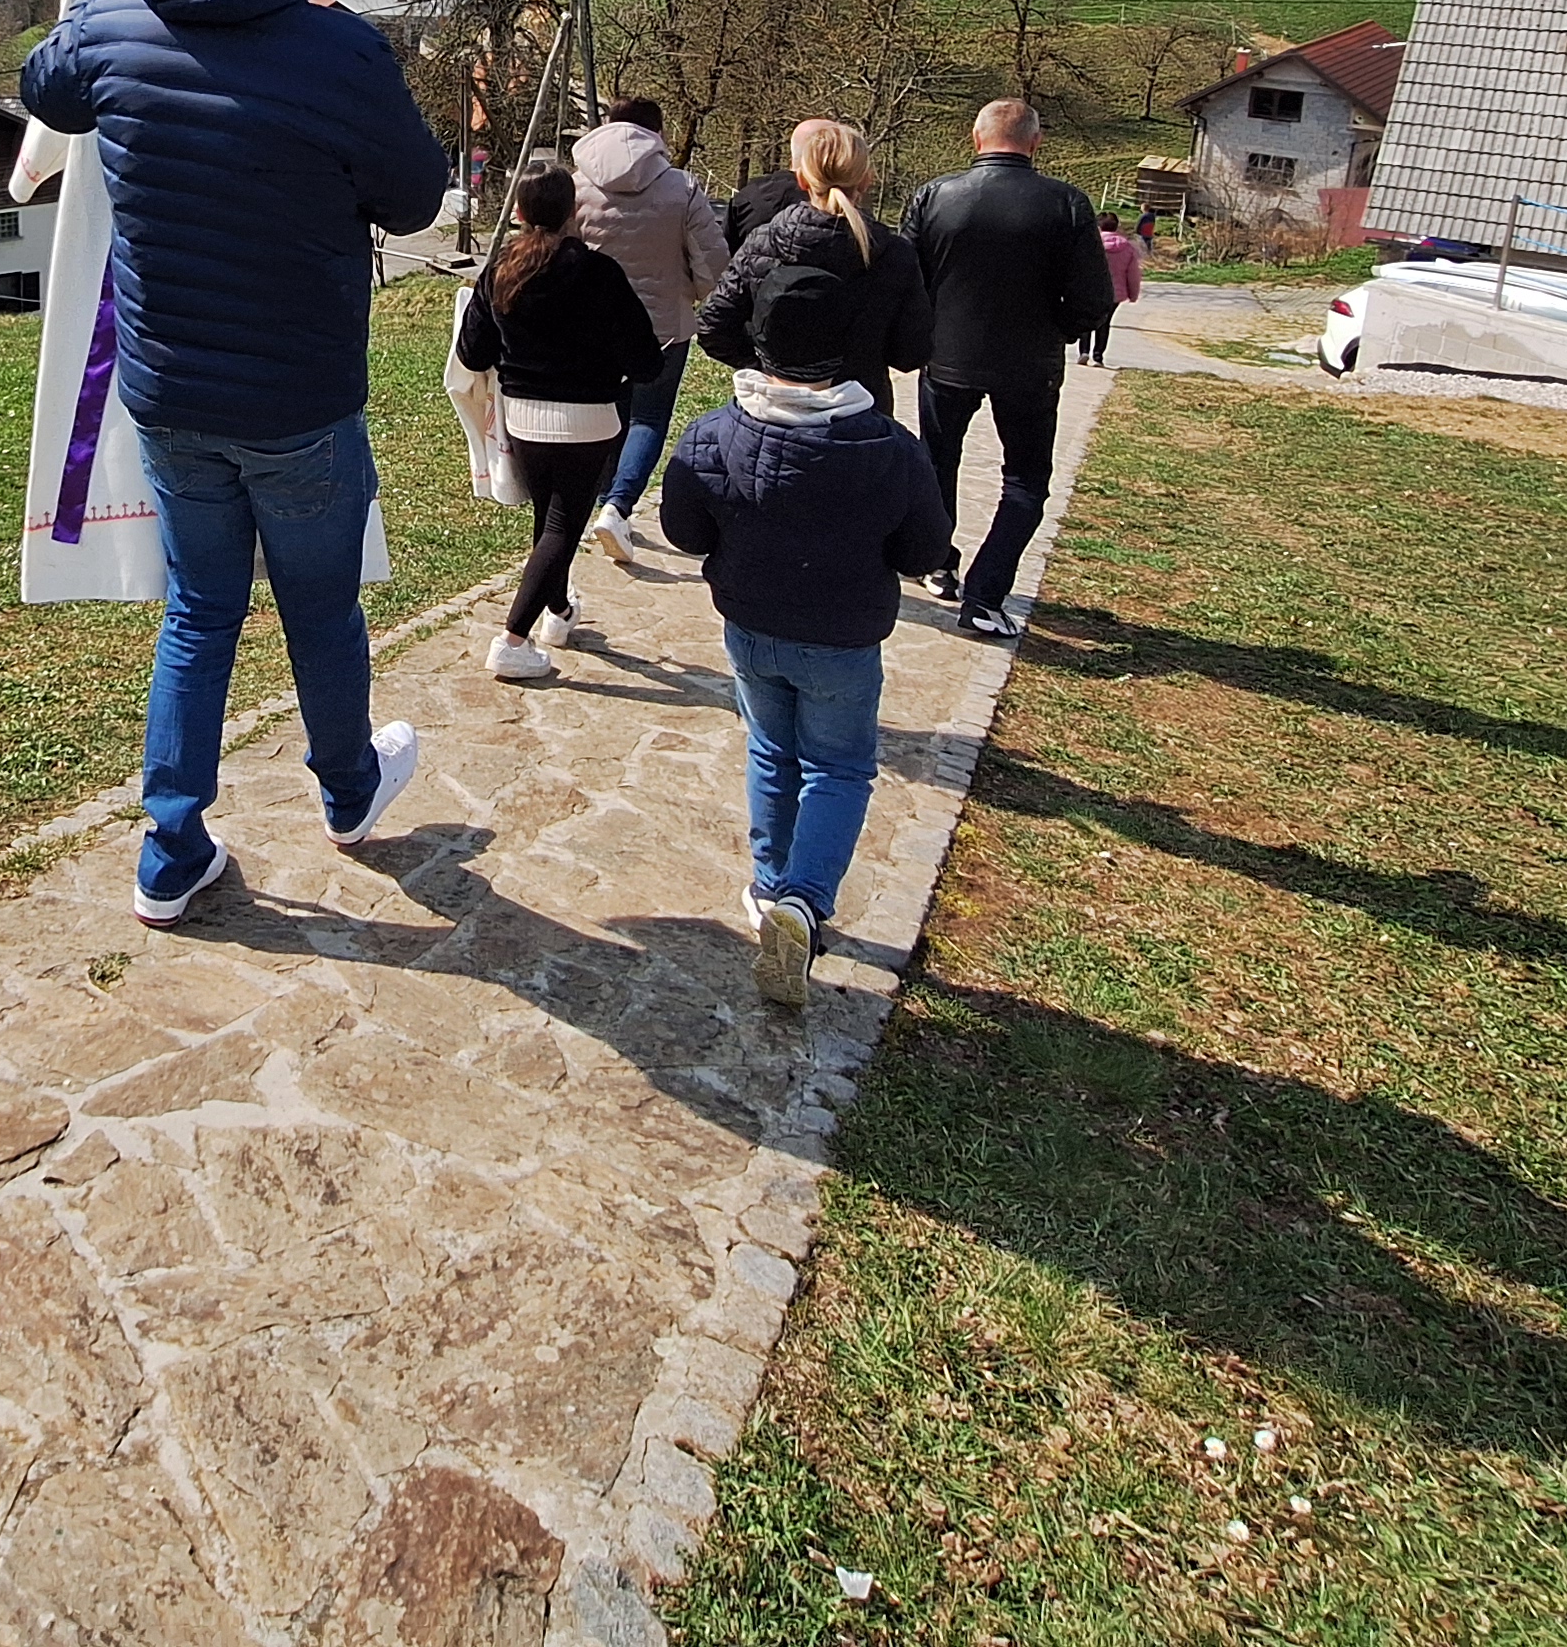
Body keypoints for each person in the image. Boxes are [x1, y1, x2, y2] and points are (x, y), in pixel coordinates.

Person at [19, 0, 453, 925]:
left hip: (170, 394)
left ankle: (171, 848)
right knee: (319, 608)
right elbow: (415, 201)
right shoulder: (340, 51)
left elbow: (45, 91)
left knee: (200, 614)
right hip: (299, 395)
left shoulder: (118, 19)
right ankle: (348, 791)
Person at [657, 260, 952, 1009]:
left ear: (758, 342)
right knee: (838, 767)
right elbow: (924, 551)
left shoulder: (711, 434)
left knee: (770, 749)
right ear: (846, 347)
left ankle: (769, 885)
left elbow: (683, 530)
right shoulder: (891, 447)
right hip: (843, 640)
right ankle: (804, 900)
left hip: (752, 628)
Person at [905, 100, 1114, 641]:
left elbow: (908, 281)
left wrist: (923, 336)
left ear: (975, 139)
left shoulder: (934, 196)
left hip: (946, 359)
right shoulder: (1067, 203)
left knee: (937, 462)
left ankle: (937, 562)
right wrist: (1056, 330)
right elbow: (1095, 298)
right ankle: (986, 594)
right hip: (1030, 365)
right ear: (1035, 142)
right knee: (1025, 481)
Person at [454, 166, 665, 680]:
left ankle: (558, 612)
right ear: (574, 211)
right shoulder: (600, 272)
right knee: (561, 529)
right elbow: (646, 362)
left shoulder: (500, 269)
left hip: (522, 419)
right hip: (589, 419)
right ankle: (511, 640)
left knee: (548, 524)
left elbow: (472, 351)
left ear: (519, 213)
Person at [569, 96, 729, 563]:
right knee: (648, 418)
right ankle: (617, 506)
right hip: (664, 326)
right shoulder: (682, 186)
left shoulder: (577, 185)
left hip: (593, 325)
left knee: (606, 413)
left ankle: (600, 499)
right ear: (657, 133)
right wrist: (692, 292)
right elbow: (714, 262)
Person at [693, 118, 930, 415]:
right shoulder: (893, 253)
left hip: (776, 407)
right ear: (867, 179)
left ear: (802, 180)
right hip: (860, 409)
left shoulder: (765, 242)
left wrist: (765, 367)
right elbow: (912, 352)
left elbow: (712, 325)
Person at [1078, 210, 1143, 365]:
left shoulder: (1091, 244)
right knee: (1105, 323)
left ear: (1098, 226)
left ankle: (1084, 352)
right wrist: (1133, 294)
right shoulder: (1127, 247)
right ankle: (1098, 356)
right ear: (1116, 226)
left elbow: (1081, 267)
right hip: (1115, 293)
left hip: (1091, 289)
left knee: (1087, 319)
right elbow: (1133, 273)